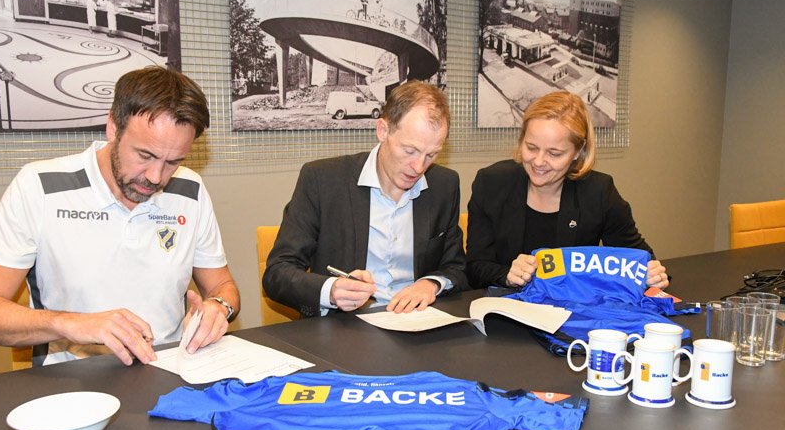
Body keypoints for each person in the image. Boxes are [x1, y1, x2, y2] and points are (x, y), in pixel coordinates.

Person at [0, 66, 240, 366]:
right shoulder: (40, 186)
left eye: (173, 161)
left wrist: (219, 307)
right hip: (71, 383)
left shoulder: (190, 190)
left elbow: (224, 287)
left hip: (170, 370)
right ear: (112, 128)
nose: (156, 177)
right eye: (145, 156)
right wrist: (70, 323)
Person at [263, 80, 467, 318]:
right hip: (345, 330)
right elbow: (277, 273)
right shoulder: (323, 180)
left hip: (417, 325)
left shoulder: (444, 185)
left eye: (431, 154)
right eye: (409, 151)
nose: (419, 166)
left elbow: (457, 268)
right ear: (383, 130)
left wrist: (431, 284)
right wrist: (331, 291)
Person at [465, 90, 668, 290]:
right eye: (531, 147)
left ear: (577, 152)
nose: (538, 161)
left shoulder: (598, 192)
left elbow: (640, 258)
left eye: (554, 153)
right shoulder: (491, 183)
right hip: (507, 310)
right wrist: (506, 275)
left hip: (573, 313)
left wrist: (652, 275)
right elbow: (475, 267)